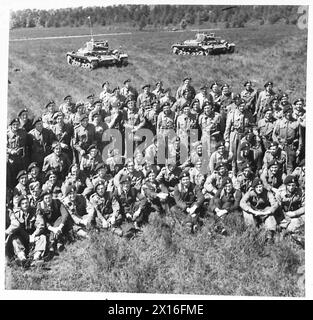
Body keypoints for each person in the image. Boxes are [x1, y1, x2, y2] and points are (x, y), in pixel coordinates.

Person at [5, 195, 46, 265]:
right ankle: (22, 259)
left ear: (29, 203)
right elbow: (18, 228)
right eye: (23, 203)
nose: (25, 205)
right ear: (20, 205)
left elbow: (41, 225)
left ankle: (36, 258)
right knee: (15, 238)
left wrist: (33, 235)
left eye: (26, 203)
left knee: (42, 237)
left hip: (34, 235)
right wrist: (28, 237)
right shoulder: (16, 214)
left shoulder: (35, 211)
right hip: (23, 237)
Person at [240, 178, 279, 244]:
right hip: (254, 212)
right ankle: (251, 230)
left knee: (269, 211)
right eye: (257, 187)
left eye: (260, 186)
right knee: (246, 211)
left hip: (264, 211)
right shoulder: (250, 193)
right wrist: (253, 211)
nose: (259, 189)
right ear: (254, 188)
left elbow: (275, 204)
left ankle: (269, 235)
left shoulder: (267, 192)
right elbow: (242, 202)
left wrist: (267, 212)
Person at [272, 105, 301, 173]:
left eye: (290, 112)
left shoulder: (296, 122)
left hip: (291, 147)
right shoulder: (279, 122)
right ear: (284, 113)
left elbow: (300, 137)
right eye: (287, 112)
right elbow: (274, 135)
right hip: (280, 146)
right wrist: (277, 144)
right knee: (278, 164)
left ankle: (288, 181)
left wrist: (298, 149)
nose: (288, 114)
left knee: (289, 165)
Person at [7, 117, 29, 187]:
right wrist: (11, 151)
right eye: (14, 125)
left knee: (21, 175)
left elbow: (27, 143)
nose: (16, 126)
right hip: (12, 159)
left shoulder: (23, 132)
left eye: (17, 124)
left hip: (21, 159)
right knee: (12, 177)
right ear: (11, 125)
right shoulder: (7, 134)